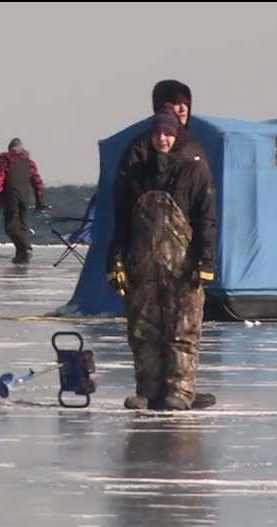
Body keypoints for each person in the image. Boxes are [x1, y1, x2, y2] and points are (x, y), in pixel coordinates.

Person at [108, 108, 218, 411]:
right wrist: (116, 261)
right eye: (158, 134)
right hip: (142, 266)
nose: (163, 139)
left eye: (168, 133)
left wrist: (206, 261)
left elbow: (206, 220)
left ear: (177, 135)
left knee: (182, 330)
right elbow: (121, 224)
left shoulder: (193, 170)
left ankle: (180, 391)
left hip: (183, 267)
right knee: (143, 331)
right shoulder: (136, 174)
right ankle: (147, 390)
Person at [0, 138, 49, 263]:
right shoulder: (29, 163)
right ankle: (21, 255)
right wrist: (40, 202)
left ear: (10, 148)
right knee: (23, 226)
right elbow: (37, 182)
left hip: (11, 195)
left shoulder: (6, 158)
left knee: (11, 226)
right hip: (25, 197)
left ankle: (25, 248)